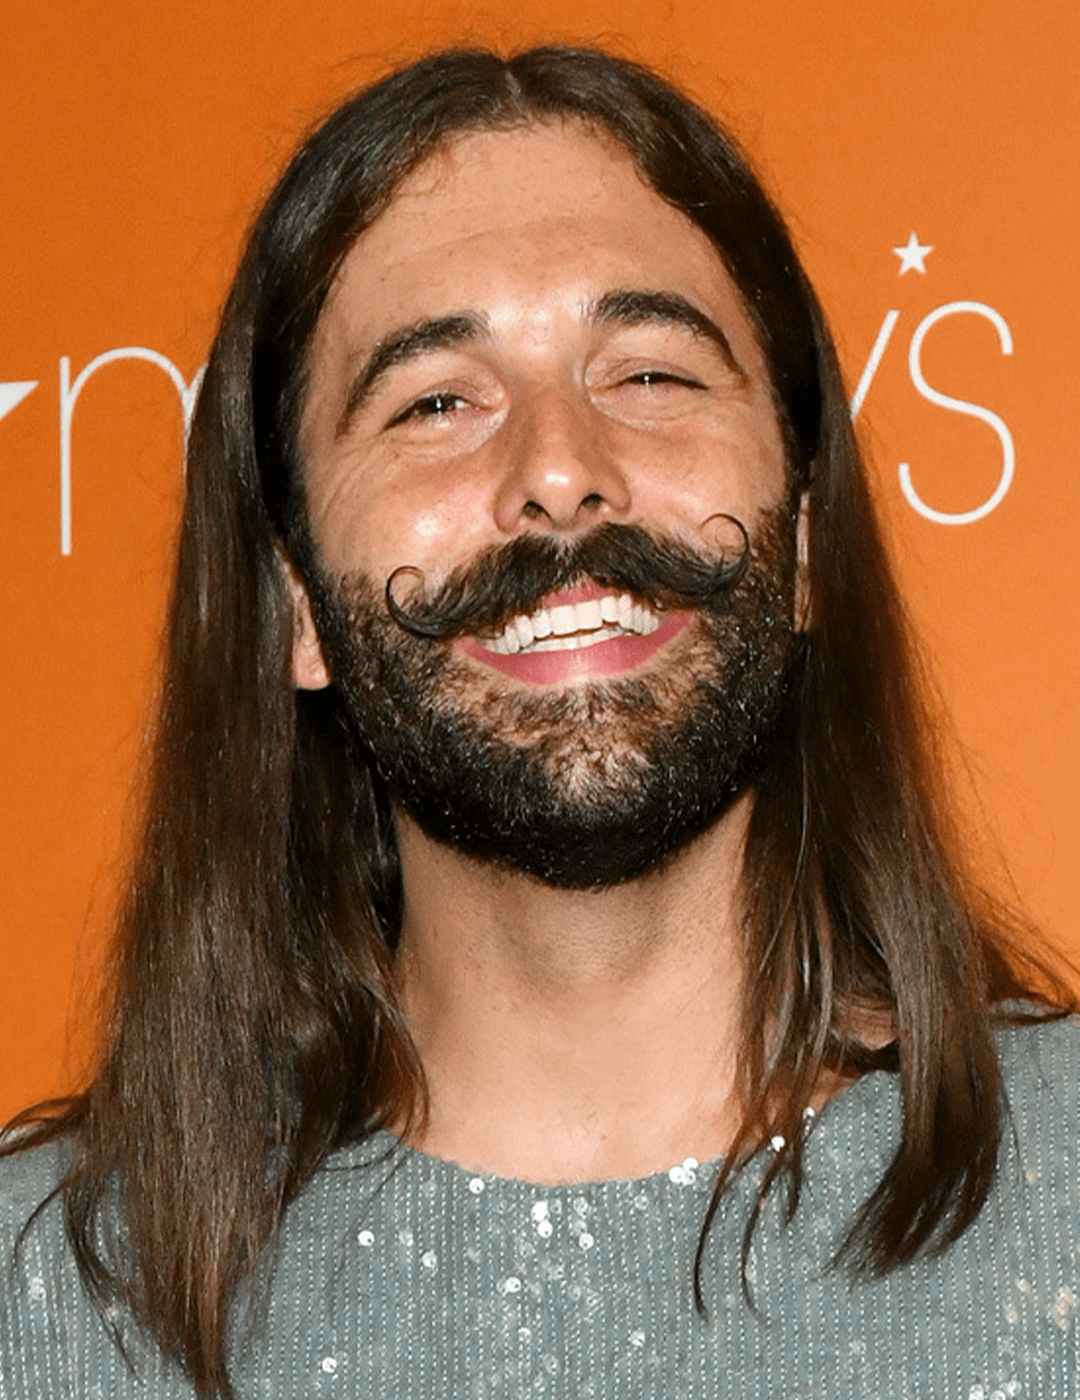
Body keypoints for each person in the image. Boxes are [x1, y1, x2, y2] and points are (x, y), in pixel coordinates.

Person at [1, 44, 1077, 1400]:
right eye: (437, 401)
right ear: (293, 608)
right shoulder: (41, 1307)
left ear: (806, 539)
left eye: (650, 376)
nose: (561, 471)